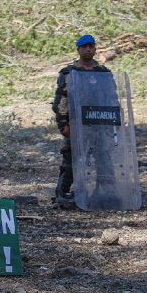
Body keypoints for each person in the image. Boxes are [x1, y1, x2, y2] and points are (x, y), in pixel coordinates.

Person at [51, 34, 110, 205]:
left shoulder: (103, 73)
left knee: (103, 158)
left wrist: (114, 121)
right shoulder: (69, 73)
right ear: (78, 49)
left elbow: (111, 98)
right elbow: (61, 101)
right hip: (76, 124)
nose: (88, 49)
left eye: (91, 46)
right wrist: (63, 124)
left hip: (100, 123)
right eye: (84, 46)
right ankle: (63, 194)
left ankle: (105, 192)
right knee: (71, 159)